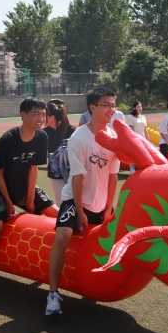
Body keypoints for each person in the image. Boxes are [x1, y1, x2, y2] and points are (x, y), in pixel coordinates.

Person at [0, 97, 59, 298]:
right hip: (0, 190)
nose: (41, 118)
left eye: (43, 114)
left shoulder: (42, 136)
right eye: (36, 114)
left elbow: (33, 169)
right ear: (23, 115)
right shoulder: (7, 139)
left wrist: (31, 197)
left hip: (23, 187)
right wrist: (9, 203)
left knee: (59, 217)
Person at [46, 87, 119, 315]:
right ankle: (53, 294)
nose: (111, 109)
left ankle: (96, 285)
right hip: (75, 199)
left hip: (101, 202)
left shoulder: (114, 139)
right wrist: (79, 211)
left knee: (108, 243)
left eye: (113, 105)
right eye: (106, 105)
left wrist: (108, 208)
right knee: (62, 236)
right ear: (92, 107)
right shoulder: (79, 137)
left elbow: (113, 176)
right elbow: (77, 178)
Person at [44, 99, 76, 204]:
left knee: (74, 200)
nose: (42, 118)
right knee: (61, 202)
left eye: (44, 115)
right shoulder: (44, 133)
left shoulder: (72, 131)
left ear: (52, 117)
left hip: (72, 173)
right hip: (55, 174)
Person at [125, 101, 149, 172]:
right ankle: (132, 169)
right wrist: (134, 140)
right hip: (134, 141)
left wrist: (148, 141)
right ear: (134, 108)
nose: (140, 108)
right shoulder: (130, 117)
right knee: (134, 156)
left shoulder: (143, 117)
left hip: (143, 141)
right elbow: (130, 130)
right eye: (138, 107)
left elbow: (145, 130)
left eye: (141, 106)